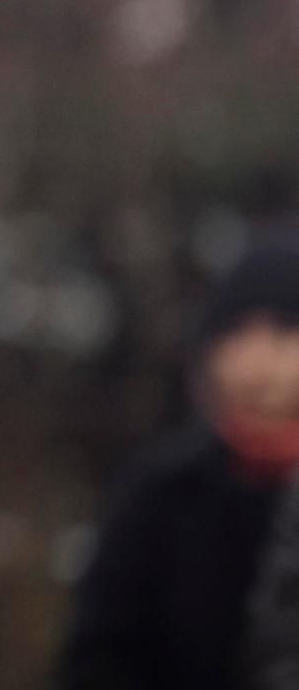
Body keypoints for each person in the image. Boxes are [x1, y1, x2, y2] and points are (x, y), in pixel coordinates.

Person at [62, 237, 299, 690]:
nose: (258, 363)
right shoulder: (160, 492)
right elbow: (98, 657)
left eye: (283, 333)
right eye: (237, 335)